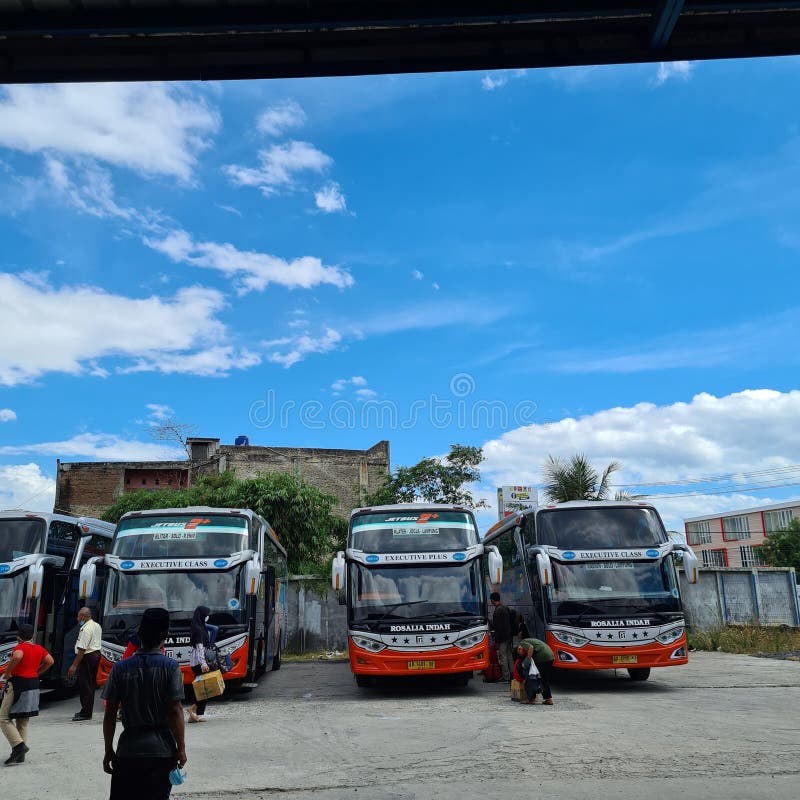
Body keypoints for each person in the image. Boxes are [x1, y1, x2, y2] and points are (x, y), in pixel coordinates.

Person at [102, 607, 187, 800]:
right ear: (165, 636)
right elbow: (175, 710)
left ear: (139, 635)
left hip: (127, 750)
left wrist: (108, 750)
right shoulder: (171, 667)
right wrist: (181, 748)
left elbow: (110, 713)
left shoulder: (119, 668)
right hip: (161, 752)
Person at [0, 624, 54, 766]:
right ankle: (20, 756)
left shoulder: (20, 647)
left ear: (18, 637)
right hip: (33, 684)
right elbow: (50, 661)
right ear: (33, 636)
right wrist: (37, 671)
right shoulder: (39, 648)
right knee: (23, 719)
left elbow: (18, 656)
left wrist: (8, 672)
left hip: (18, 684)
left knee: (3, 718)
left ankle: (19, 747)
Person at [67, 606, 102, 721]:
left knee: (85, 685)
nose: (77, 619)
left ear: (83, 617)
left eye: (78, 616)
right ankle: (86, 710)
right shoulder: (96, 625)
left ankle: (86, 713)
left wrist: (74, 665)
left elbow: (82, 649)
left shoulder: (86, 629)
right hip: (95, 655)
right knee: (90, 684)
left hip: (87, 657)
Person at [186, 605, 212, 723]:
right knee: (204, 688)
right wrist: (203, 664)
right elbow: (200, 648)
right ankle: (193, 709)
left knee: (200, 687)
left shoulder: (198, 626)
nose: (207, 617)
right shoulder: (198, 629)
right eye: (206, 615)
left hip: (196, 662)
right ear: (202, 615)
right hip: (199, 663)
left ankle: (194, 715)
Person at [517, 637, 556, 705]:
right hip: (550, 656)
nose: (522, 655)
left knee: (532, 677)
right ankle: (548, 699)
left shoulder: (522, 643)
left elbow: (531, 647)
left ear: (519, 649)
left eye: (520, 653)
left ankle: (531, 699)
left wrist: (527, 660)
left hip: (542, 658)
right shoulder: (530, 640)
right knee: (544, 679)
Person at [489, 592, 513, 682]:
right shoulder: (505, 608)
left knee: (503, 657)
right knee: (509, 655)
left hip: (502, 637)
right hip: (508, 636)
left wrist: (497, 641)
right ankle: (513, 674)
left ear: (492, 600)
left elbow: (497, 628)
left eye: (491, 600)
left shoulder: (497, 611)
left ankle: (506, 676)